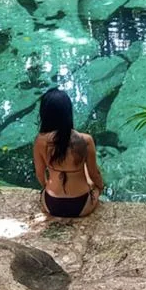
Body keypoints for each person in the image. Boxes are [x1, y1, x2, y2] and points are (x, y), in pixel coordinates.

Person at [33, 88, 104, 218]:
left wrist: (47, 187)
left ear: (44, 114)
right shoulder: (86, 140)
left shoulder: (40, 140)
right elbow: (95, 173)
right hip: (81, 204)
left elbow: (39, 174)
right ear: (68, 113)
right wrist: (99, 189)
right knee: (89, 175)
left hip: (51, 203)